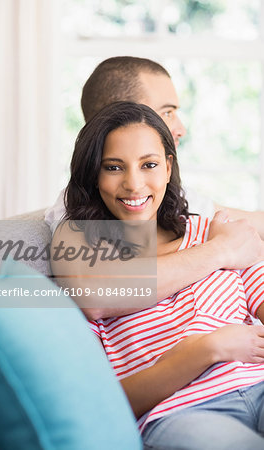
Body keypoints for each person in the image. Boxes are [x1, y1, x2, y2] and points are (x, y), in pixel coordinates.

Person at [51, 101, 264, 449]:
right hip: (184, 413)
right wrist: (204, 350)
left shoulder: (211, 231)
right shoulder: (86, 261)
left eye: (149, 165)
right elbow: (107, 401)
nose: (134, 184)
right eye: (113, 167)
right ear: (93, 174)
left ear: (168, 167)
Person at [45, 56, 264, 239]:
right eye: (167, 113)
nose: (180, 129)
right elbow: (104, 284)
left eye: (149, 165)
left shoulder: (168, 196)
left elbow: (248, 222)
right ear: (119, 117)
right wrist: (220, 251)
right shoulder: (72, 217)